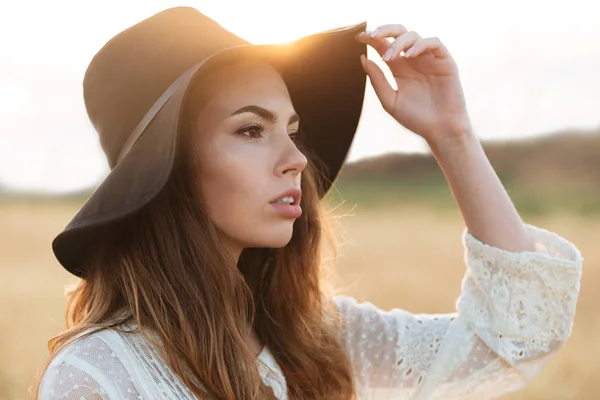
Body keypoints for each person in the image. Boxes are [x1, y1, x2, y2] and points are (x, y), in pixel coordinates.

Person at [33, 6, 583, 400]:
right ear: (166, 170)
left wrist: (453, 136)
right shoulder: (98, 377)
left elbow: (514, 338)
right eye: (251, 130)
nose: (295, 158)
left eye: (291, 130)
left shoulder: (320, 338)